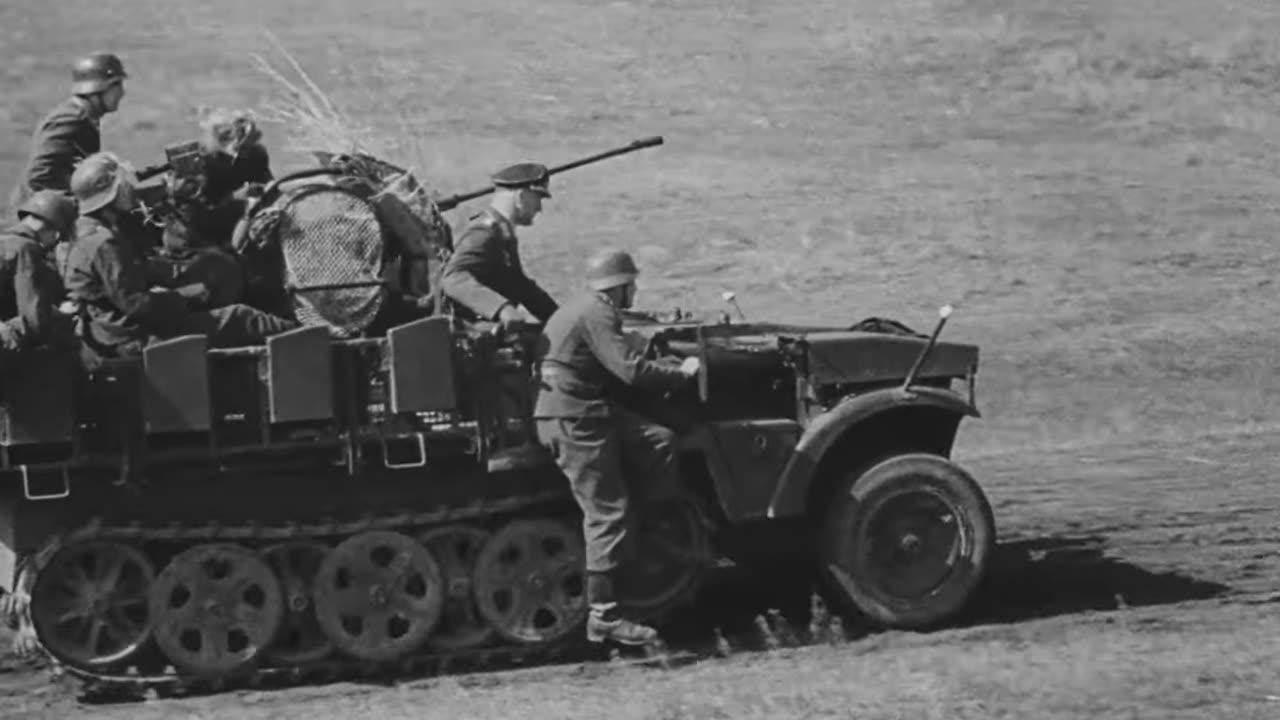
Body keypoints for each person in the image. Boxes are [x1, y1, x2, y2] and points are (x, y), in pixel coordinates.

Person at [533, 248, 700, 646]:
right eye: (632, 284)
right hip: (575, 418)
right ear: (618, 287)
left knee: (658, 440)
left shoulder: (586, 308)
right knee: (607, 512)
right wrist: (681, 375)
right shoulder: (599, 311)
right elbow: (630, 370)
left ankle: (649, 522)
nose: (635, 291)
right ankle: (604, 616)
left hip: (585, 408)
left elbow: (616, 349)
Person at [61, 151, 298, 365]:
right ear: (110, 194)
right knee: (239, 316)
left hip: (112, 332)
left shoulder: (85, 232)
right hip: (133, 337)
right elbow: (137, 305)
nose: (130, 189)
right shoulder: (104, 243)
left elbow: (129, 281)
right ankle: (315, 336)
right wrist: (183, 295)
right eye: (123, 185)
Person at [439, 162, 559, 329]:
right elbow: (453, 279)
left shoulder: (502, 232)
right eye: (537, 198)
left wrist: (560, 319)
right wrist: (501, 308)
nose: (539, 208)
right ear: (521, 197)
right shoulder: (484, 232)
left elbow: (521, 286)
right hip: (469, 331)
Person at [9, 53, 127, 209]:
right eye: (116, 85)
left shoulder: (86, 118)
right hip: (41, 219)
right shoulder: (71, 120)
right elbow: (39, 178)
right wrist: (81, 205)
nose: (121, 92)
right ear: (97, 88)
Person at [0, 190, 78, 357]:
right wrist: (61, 314)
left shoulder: (5, 241)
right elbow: (35, 321)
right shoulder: (26, 248)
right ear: (54, 231)